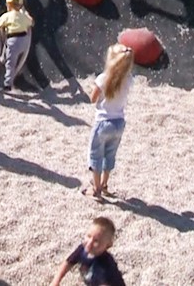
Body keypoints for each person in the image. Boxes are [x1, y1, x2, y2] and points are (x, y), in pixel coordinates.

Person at [82, 43, 133, 200]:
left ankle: (96, 189)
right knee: (110, 155)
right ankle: (104, 184)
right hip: (119, 123)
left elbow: (92, 99)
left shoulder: (103, 79)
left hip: (103, 122)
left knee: (96, 155)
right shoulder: (129, 80)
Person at [50, 217, 126, 285]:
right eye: (88, 236)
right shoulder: (82, 249)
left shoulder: (105, 265)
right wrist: (56, 280)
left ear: (108, 245)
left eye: (96, 241)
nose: (90, 243)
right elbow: (68, 263)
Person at [0, 0, 33, 92]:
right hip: (25, 40)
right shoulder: (23, 16)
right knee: (9, 58)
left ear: (8, 5)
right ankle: (8, 64)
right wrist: (28, 15)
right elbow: (31, 22)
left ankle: (7, 84)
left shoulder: (7, 16)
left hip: (13, 40)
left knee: (10, 63)